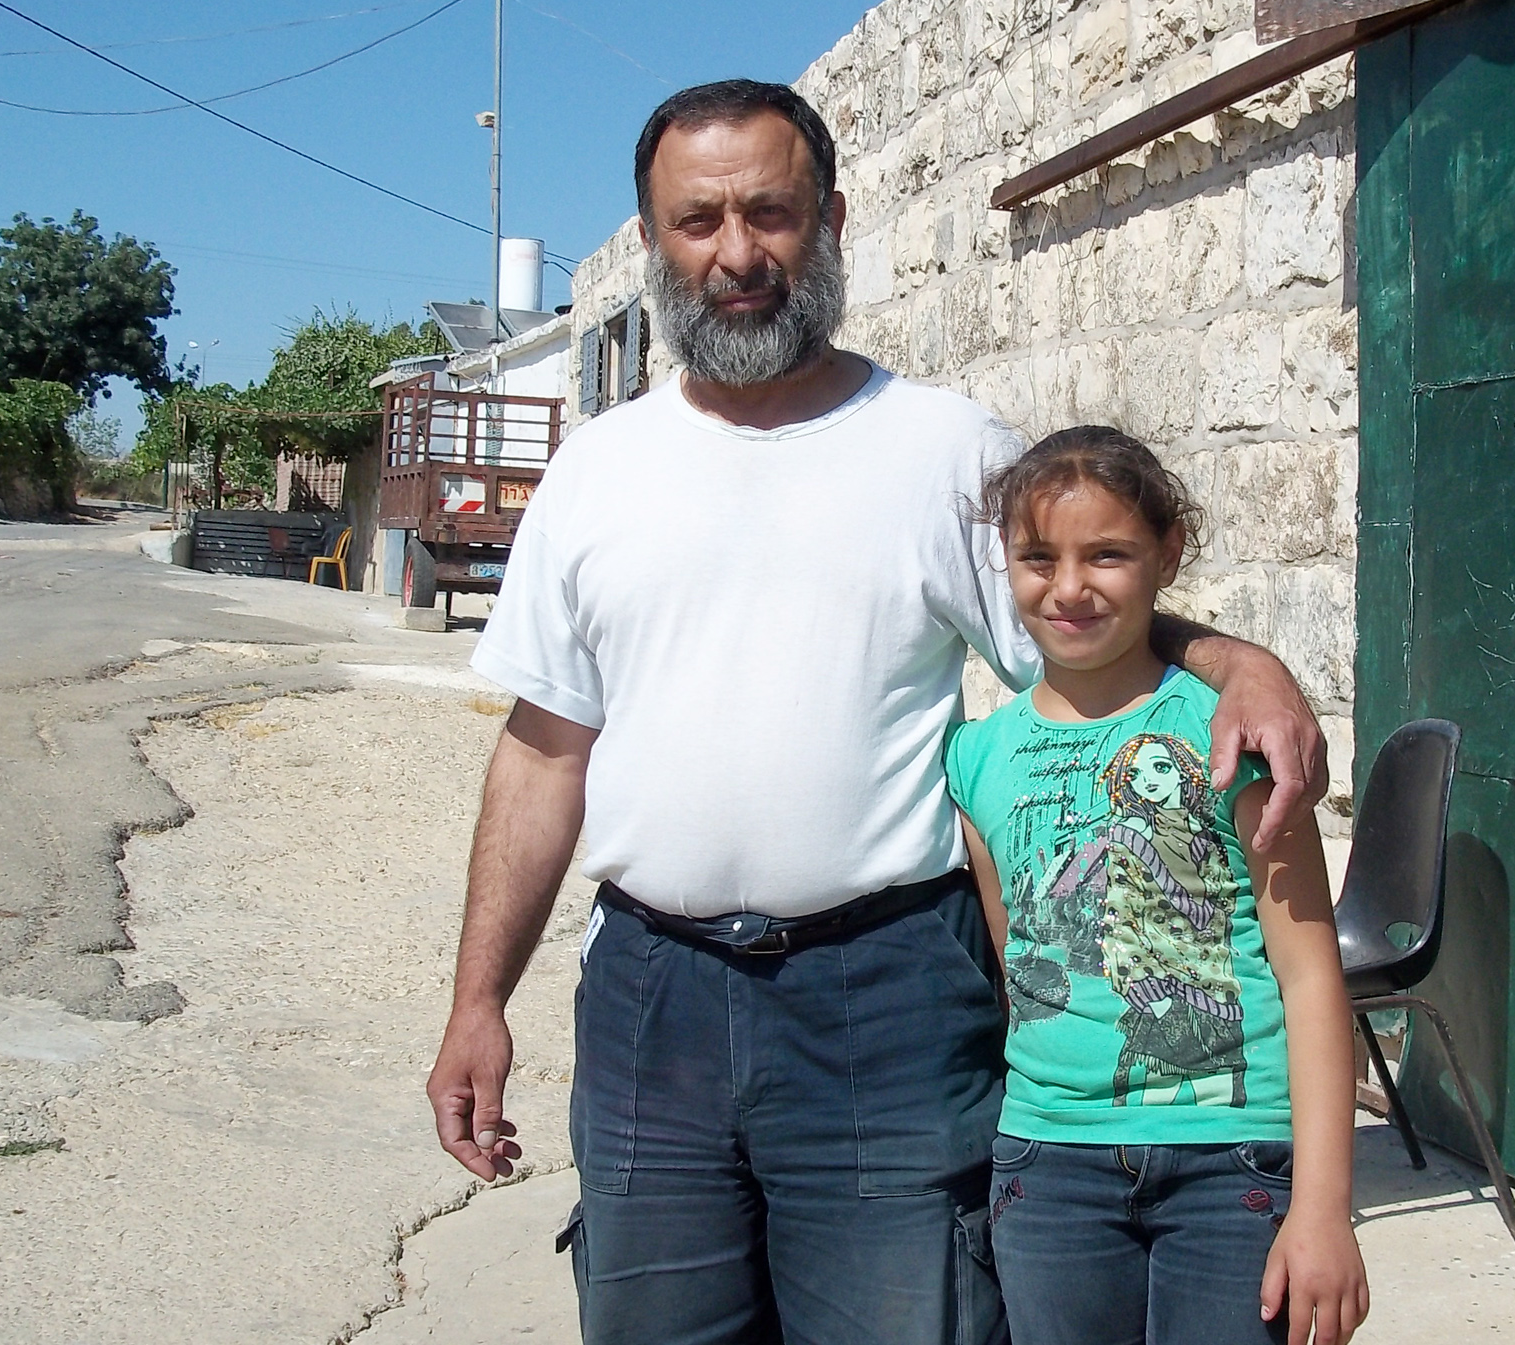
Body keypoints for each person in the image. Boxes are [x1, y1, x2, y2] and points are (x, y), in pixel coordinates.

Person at [425, 79, 1330, 1345]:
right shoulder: (595, 473)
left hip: (889, 1000)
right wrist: (479, 1003)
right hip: (650, 1008)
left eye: (770, 212)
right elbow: (541, 755)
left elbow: (1084, 637)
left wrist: (1240, 663)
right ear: (652, 240)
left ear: (832, 217)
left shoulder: (945, 451)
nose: (736, 253)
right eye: (698, 222)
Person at [944, 426, 1368, 1345]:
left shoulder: (1240, 734)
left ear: (1166, 554)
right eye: (1035, 558)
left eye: (1107, 554)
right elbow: (1021, 969)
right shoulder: (975, 759)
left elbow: (1309, 976)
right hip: (1047, 1164)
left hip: (1234, 1161)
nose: (1067, 588)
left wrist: (1324, 1208)